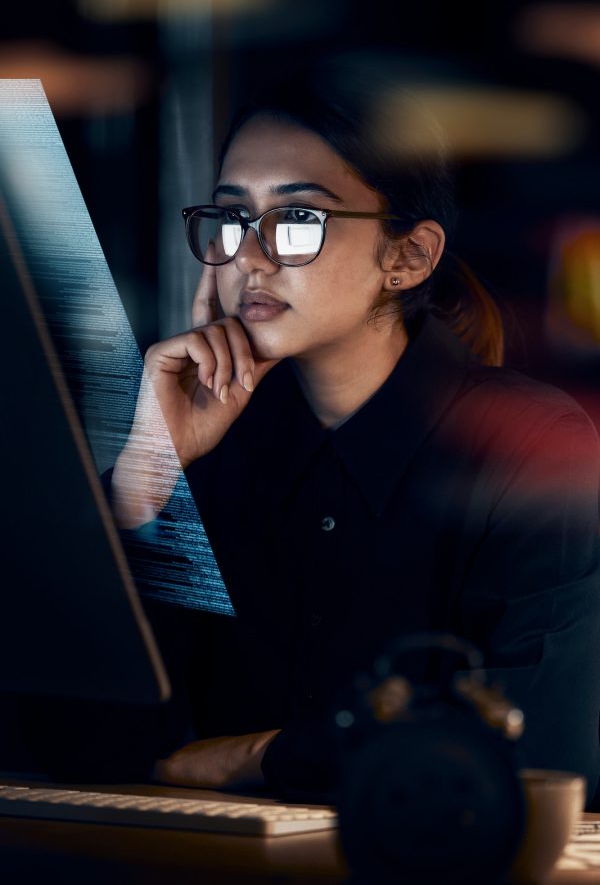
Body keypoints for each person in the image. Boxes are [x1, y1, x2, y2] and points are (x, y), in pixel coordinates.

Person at [110, 54, 600, 806]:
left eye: (298, 218)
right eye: (234, 216)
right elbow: (82, 740)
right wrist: (144, 483)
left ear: (408, 257)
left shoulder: (525, 447)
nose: (252, 255)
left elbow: (550, 744)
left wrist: (264, 755)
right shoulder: (207, 446)